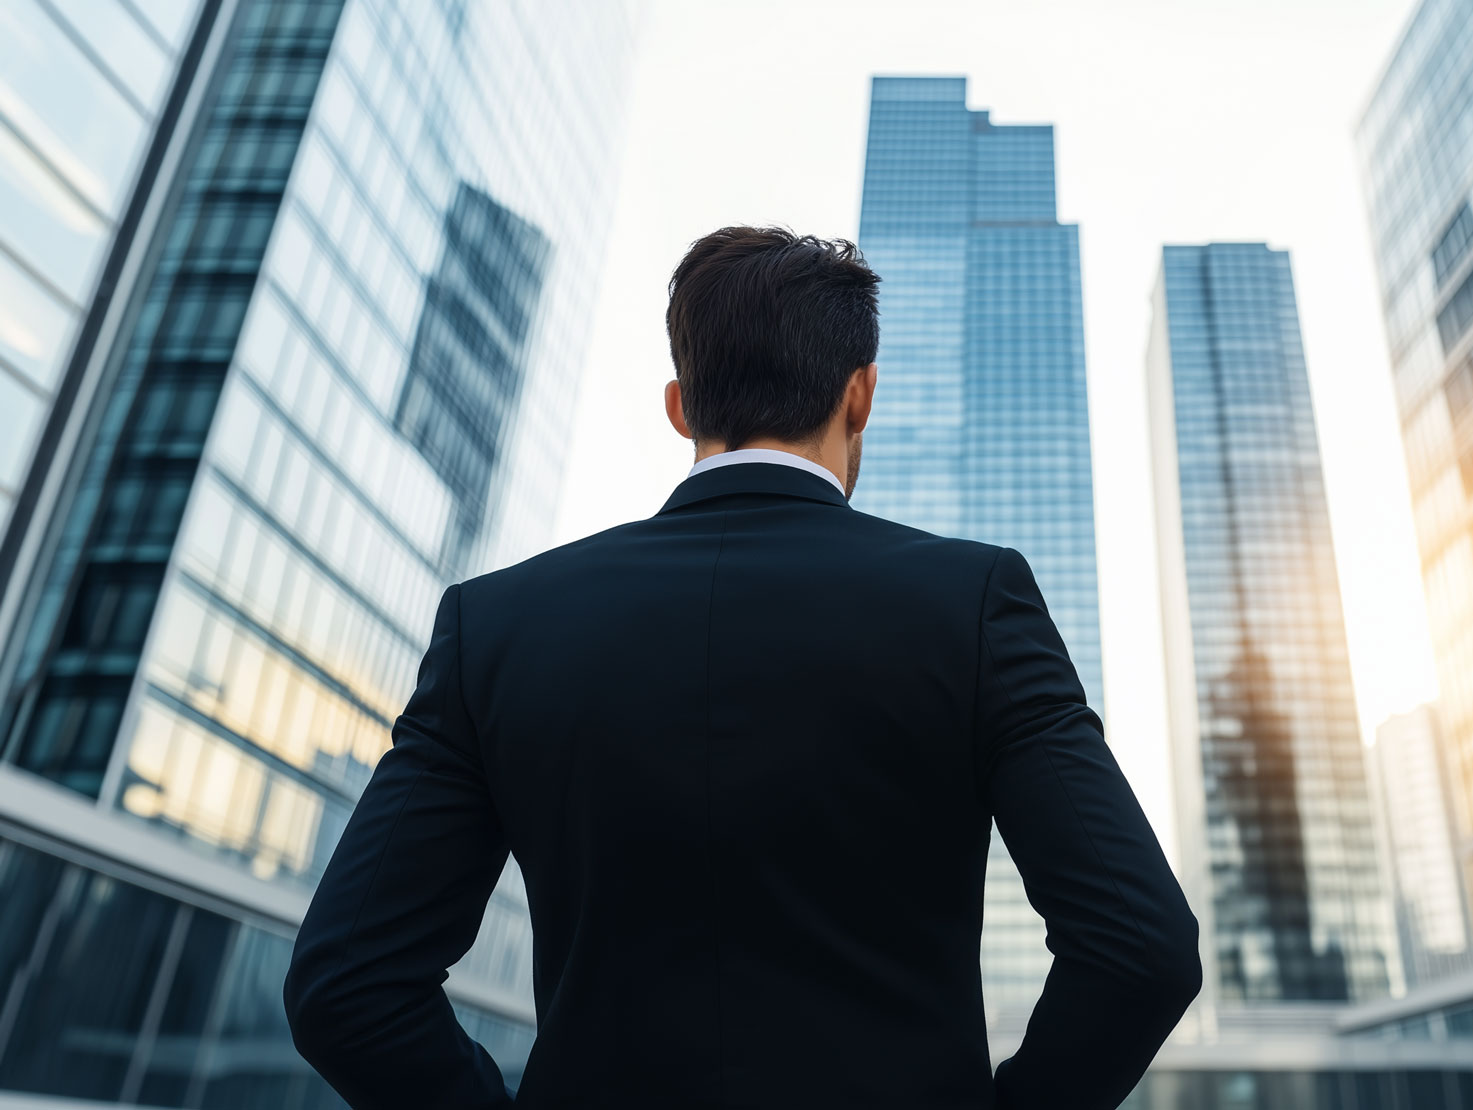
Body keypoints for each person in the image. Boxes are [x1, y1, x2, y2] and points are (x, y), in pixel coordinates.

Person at [284, 226, 1201, 1108]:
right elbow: (1141, 948)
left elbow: (347, 983)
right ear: (860, 396)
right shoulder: (974, 602)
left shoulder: (496, 624)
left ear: (681, 406)